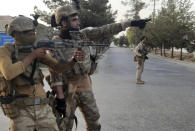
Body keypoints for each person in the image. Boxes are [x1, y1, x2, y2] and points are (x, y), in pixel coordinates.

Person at [49, 5, 149, 131]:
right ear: (63, 23)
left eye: (77, 19)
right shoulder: (55, 43)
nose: (78, 22)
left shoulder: (83, 35)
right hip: (66, 89)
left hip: (85, 85)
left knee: (94, 122)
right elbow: (54, 72)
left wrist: (130, 23)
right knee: (64, 125)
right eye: (74, 20)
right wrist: (60, 98)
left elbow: (104, 30)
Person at [0, 15, 83, 131]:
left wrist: (73, 60)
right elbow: (8, 73)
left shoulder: (34, 49)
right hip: (20, 110)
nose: (33, 33)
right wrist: (33, 55)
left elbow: (58, 67)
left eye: (33, 31)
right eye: (28, 32)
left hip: (43, 108)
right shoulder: (5, 51)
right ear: (16, 33)